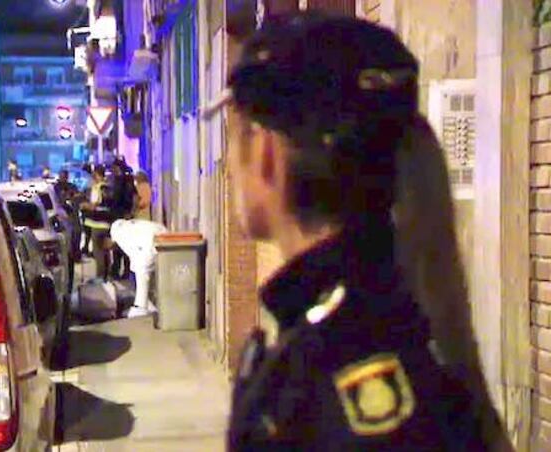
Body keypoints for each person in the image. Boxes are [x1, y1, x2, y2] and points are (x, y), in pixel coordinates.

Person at [218, 12, 510, 451]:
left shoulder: (325, 382)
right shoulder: (392, 323)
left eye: (233, 136)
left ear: (265, 153)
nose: (228, 165)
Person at [81, 165, 112, 279]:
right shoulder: (108, 187)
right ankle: (107, 274)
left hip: (97, 223)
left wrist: (84, 205)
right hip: (107, 222)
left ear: (97, 175)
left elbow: (94, 205)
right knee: (105, 250)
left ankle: (100, 276)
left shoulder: (97, 188)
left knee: (98, 251)